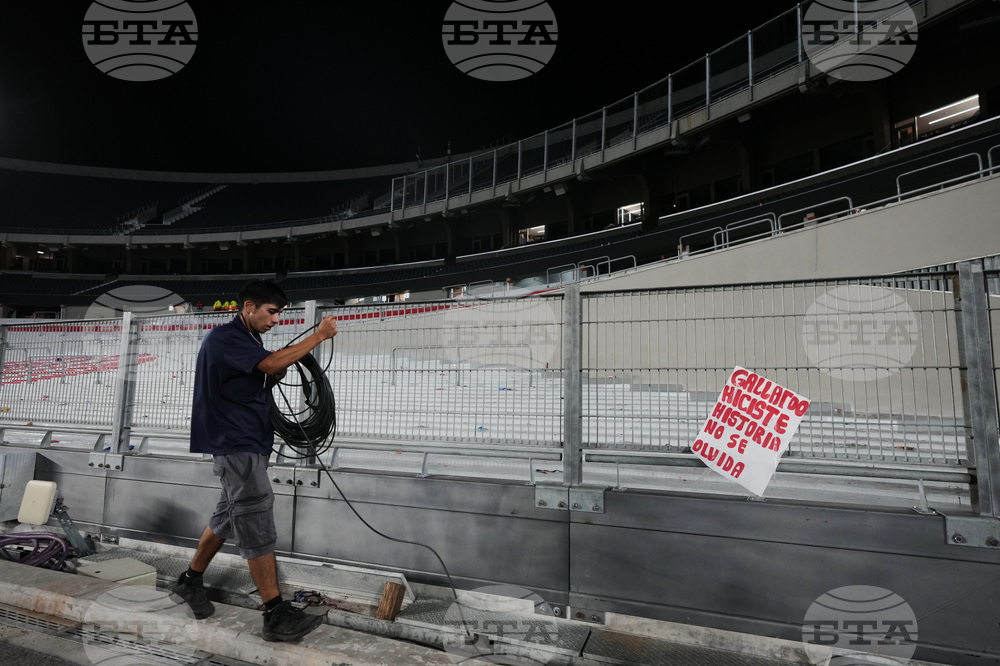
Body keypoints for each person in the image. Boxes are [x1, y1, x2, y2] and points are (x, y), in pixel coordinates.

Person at [171, 279, 338, 642]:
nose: (276, 319)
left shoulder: (249, 340)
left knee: (229, 516)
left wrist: (275, 367)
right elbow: (269, 364)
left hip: (250, 442)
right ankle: (276, 613)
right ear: (249, 306)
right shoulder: (224, 337)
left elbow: (264, 372)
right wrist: (318, 335)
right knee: (256, 519)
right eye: (272, 312)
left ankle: (189, 581)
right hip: (236, 443)